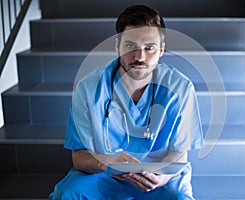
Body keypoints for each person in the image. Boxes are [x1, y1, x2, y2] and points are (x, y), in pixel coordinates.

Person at [49, 4, 203, 200]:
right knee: (68, 195)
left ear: (162, 50)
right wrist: (107, 162)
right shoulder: (89, 88)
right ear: (117, 46)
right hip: (104, 175)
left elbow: (179, 155)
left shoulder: (181, 88)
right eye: (131, 46)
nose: (140, 57)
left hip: (158, 177)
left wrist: (162, 178)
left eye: (150, 48)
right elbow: (79, 158)